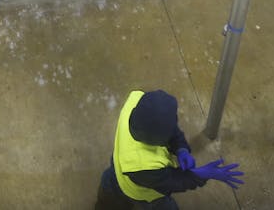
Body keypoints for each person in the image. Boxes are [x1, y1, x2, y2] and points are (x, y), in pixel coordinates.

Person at [95, 89, 244, 209]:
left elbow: (169, 127)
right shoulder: (144, 166)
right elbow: (173, 181)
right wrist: (201, 175)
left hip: (118, 164)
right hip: (140, 190)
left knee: (109, 187)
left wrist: (181, 149)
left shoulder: (135, 102)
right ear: (158, 141)